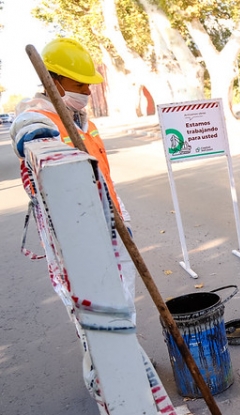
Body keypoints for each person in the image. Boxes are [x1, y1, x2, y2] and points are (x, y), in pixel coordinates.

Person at [10, 37, 136, 311]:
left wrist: (120, 216)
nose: (88, 92)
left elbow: (103, 175)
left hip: (110, 217)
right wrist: (31, 133)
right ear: (54, 82)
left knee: (124, 296)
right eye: (80, 85)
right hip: (77, 232)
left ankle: (127, 352)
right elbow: (24, 127)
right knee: (98, 312)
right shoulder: (38, 116)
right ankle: (108, 354)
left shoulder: (80, 118)